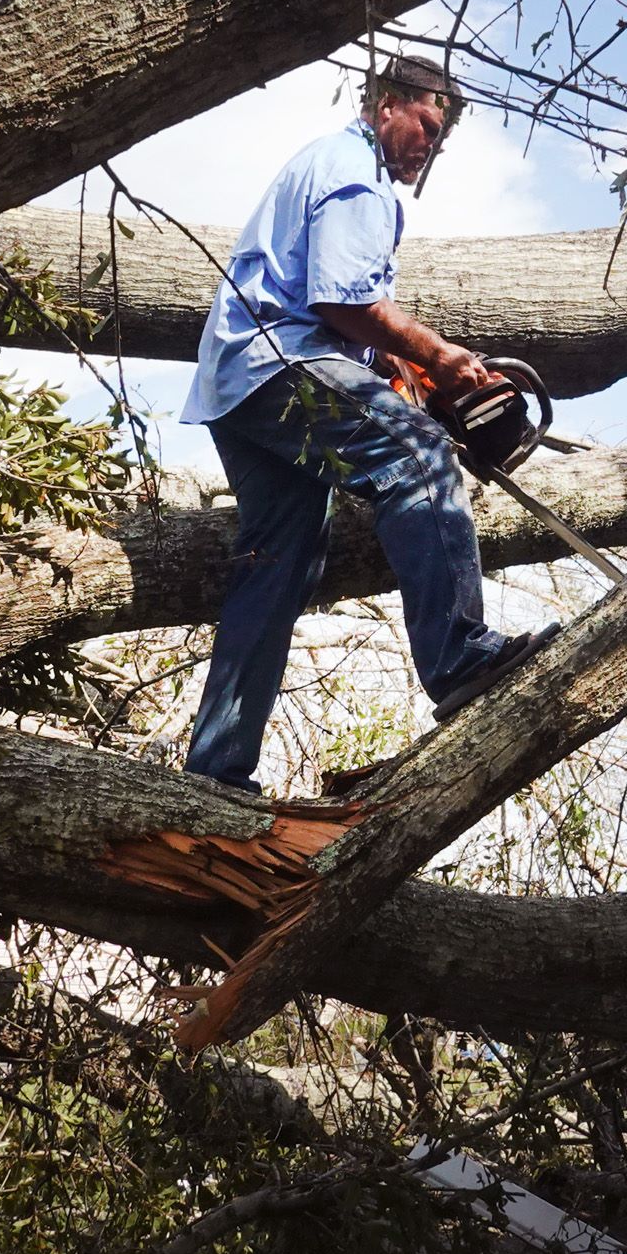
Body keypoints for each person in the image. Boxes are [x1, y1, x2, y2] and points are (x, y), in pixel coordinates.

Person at [176, 56, 557, 793]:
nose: (430, 146)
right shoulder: (356, 173)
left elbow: (343, 319)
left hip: (237, 385)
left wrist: (399, 374)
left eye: (440, 137)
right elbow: (342, 305)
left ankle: (215, 771)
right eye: (426, 126)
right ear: (387, 105)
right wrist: (439, 357)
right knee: (417, 460)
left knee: (277, 564)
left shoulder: (336, 167)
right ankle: (460, 657)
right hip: (280, 365)